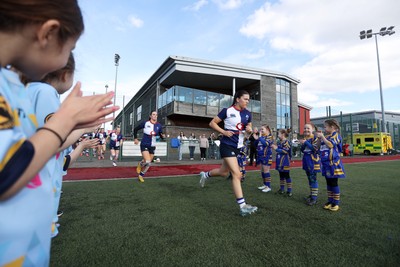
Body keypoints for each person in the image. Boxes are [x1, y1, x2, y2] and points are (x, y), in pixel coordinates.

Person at [0, 1, 118, 265]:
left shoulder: (10, 83)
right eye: (71, 49)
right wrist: (66, 120)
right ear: (49, 33)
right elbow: (5, 173)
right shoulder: (40, 90)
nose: (68, 59)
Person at [199, 90, 257, 216]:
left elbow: (248, 134)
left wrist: (249, 131)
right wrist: (224, 132)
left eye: (248, 99)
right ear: (237, 99)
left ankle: (205, 175)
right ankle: (243, 206)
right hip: (227, 145)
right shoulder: (227, 111)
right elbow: (212, 123)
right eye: (245, 99)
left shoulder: (248, 114)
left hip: (238, 147)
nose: (247, 101)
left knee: (223, 172)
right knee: (237, 174)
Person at [316, 119, 346, 212]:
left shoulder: (336, 135)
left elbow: (330, 145)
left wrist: (323, 138)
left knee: (333, 183)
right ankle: (330, 201)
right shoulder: (326, 136)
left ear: (332, 127)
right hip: (325, 163)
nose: (324, 128)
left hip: (333, 164)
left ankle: (336, 203)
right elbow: (318, 147)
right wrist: (319, 138)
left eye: (325, 126)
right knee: (328, 183)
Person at [134, 111, 165, 182]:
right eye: (153, 114)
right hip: (144, 144)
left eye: (156, 115)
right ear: (150, 116)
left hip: (153, 146)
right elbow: (135, 129)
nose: (155, 116)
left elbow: (161, 134)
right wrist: (135, 138)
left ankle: (141, 175)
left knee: (148, 163)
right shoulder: (145, 123)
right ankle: (140, 164)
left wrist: (163, 136)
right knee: (147, 161)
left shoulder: (159, 125)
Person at [299, 123, 321, 206]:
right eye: (304, 128)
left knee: (313, 179)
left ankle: (314, 198)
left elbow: (315, 149)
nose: (306, 130)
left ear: (313, 130)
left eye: (308, 128)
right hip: (306, 161)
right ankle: (312, 195)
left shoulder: (315, 138)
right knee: (309, 179)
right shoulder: (305, 138)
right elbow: (302, 150)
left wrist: (305, 143)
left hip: (313, 162)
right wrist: (302, 144)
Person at [272, 128, 293, 197]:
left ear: (283, 134)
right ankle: (282, 189)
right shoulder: (279, 142)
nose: (278, 135)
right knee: (281, 176)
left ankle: (289, 191)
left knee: (287, 176)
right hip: (279, 161)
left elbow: (285, 151)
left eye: (279, 133)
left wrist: (276, 149)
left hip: (285, 161)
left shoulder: (287, 142)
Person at [254, 125, 274, 193]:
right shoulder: (262, 137)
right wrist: (256, 139)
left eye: (262, 129)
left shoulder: (270, 137)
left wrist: (259, 137)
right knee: (262, 171)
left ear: (267, 129)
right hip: (261, 156)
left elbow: (265, 144)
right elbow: (255, 144)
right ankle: (265, 184)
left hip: (267, 156)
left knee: (266, 170)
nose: (261, 131)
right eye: (260, 129)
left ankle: (268, 186)